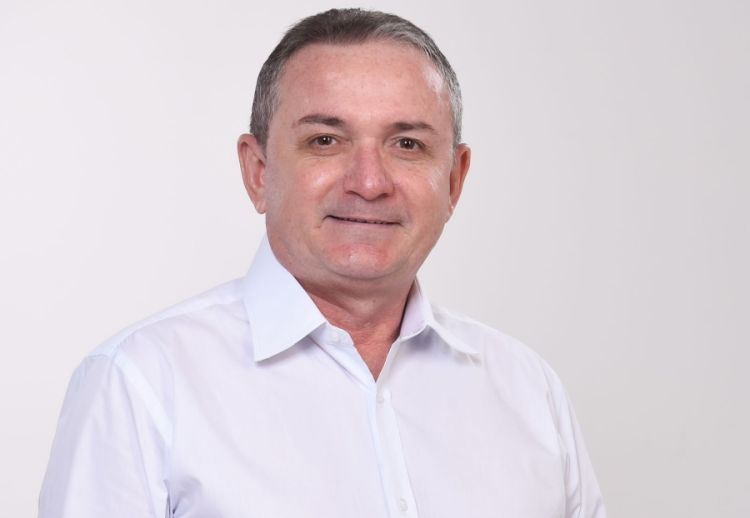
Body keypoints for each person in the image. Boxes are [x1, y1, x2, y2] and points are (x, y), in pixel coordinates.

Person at [39, 8, 606, 518]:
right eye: (326, 141)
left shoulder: (529, 391)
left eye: (407, 144)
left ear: (454, 181)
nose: (369, 182)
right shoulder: (139, 384)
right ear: (258, 172)